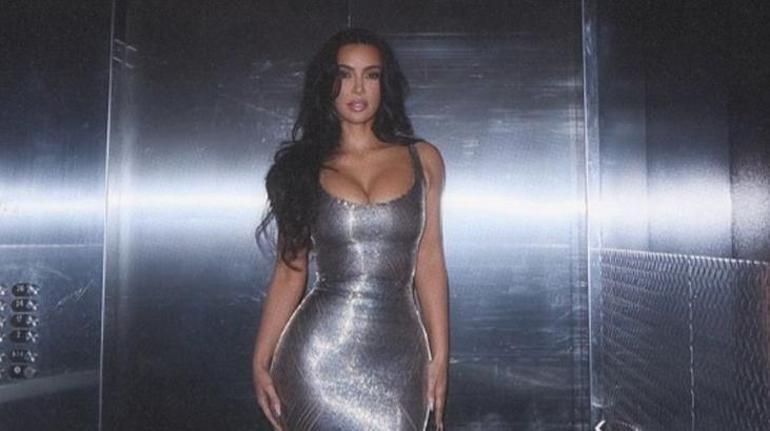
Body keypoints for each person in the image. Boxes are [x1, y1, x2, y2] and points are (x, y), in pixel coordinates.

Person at [251, 27, 449, 431]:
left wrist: (441, 353)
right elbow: (290, 270)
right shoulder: (302, 168)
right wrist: (260, 359)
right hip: (318, 358)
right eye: (345, 74)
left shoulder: (424, 159)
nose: (358, 88)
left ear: (384, 84)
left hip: (401, 356)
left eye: (371, 75)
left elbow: (429, 259)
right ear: (328, 84)